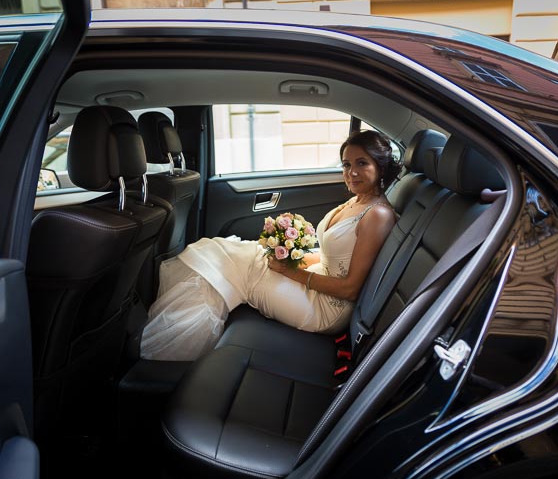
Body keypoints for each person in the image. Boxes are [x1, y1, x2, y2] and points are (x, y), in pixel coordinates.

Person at [140, 130, 400, 361]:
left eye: (361, 163)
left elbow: (351, 289)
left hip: (326, 309)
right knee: (227, 251)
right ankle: (177, 337)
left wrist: (291, 271)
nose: (351, 172)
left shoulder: (377, 215)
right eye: (346, 164)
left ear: (381, 166)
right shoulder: (356, 202)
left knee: (235, 267)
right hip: (319, 282)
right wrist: (289, 257)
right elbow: (334, 256)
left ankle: (172, 351)